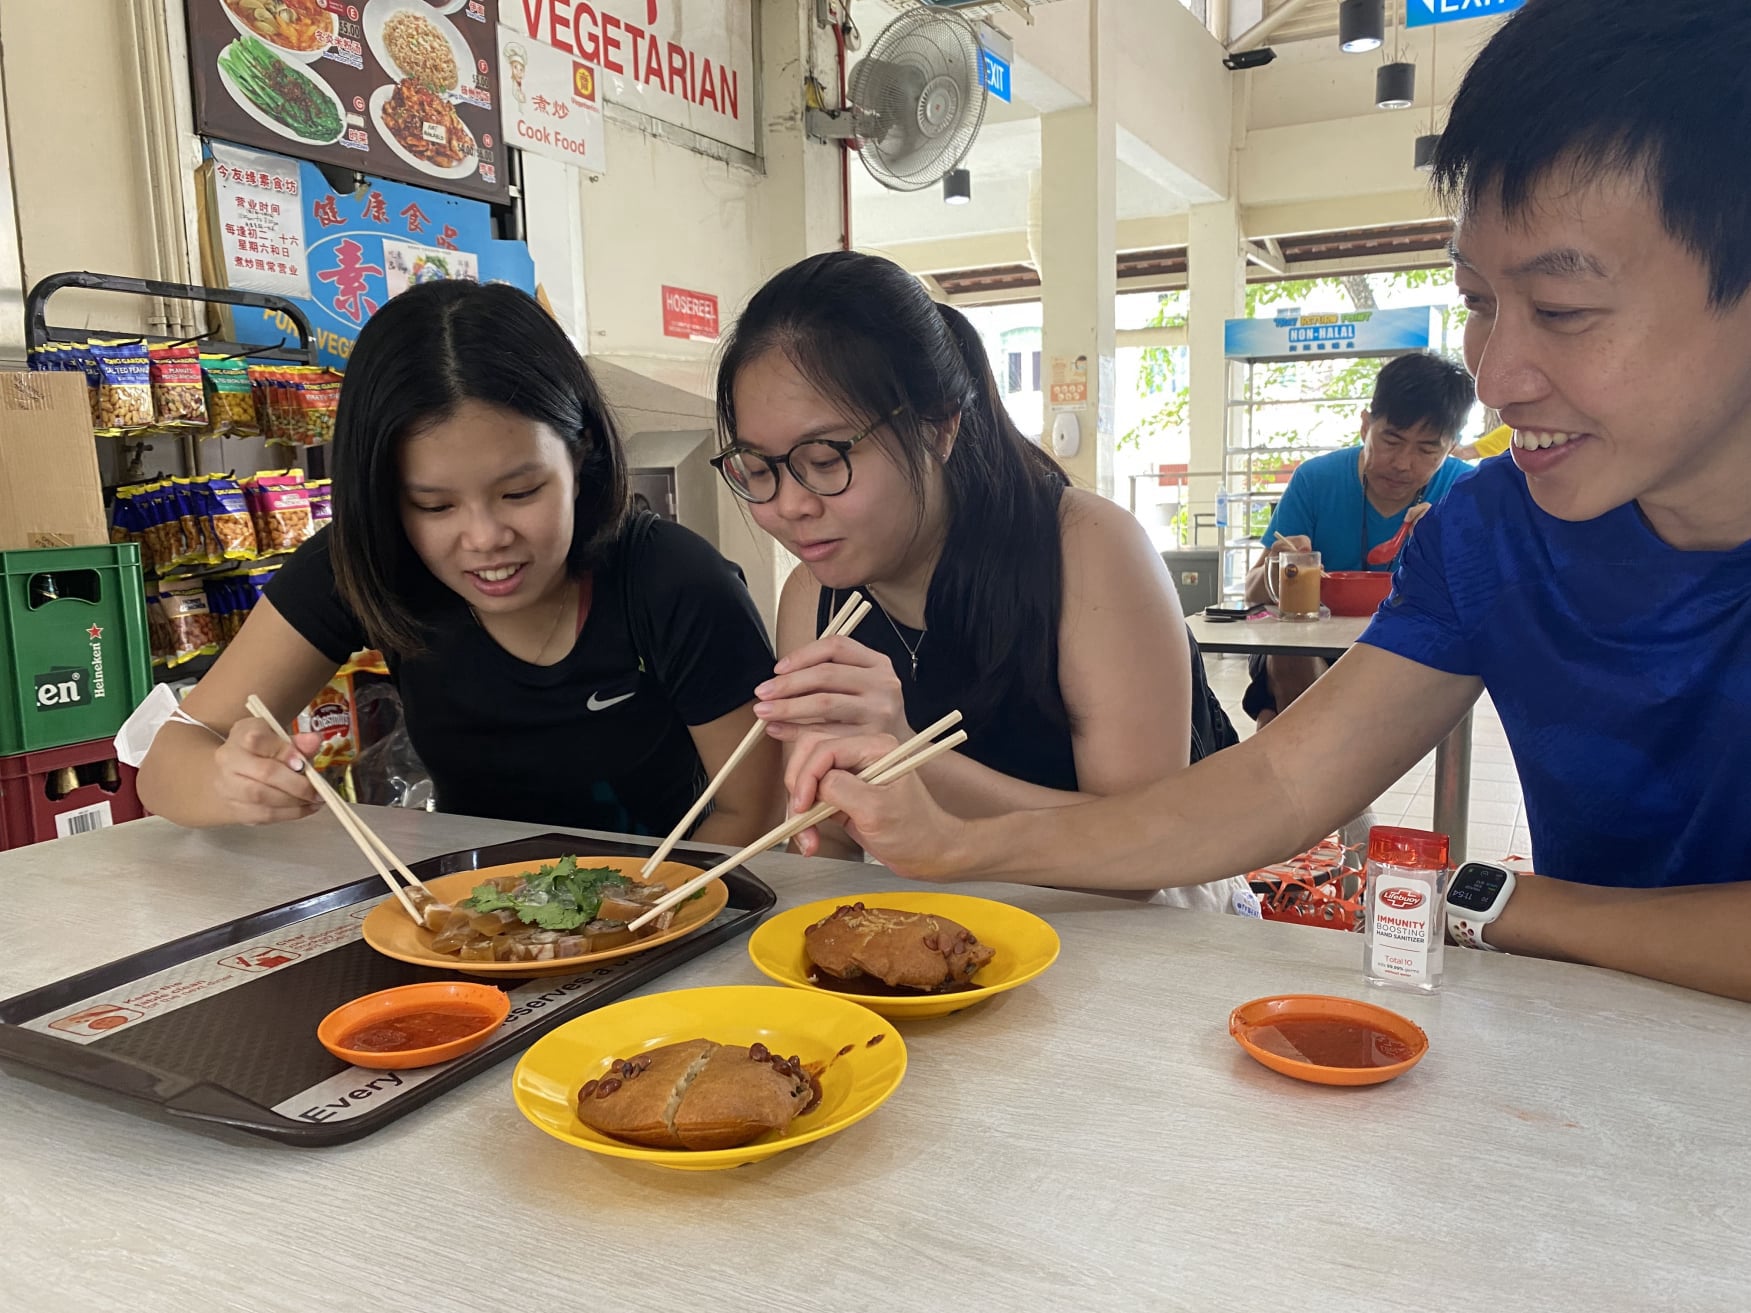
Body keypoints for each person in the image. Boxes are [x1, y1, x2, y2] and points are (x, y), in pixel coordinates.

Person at [779, 0, 1751, 1002]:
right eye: (1475, 302)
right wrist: (952, 843)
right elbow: (1280, 783)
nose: (1496, 373)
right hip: (1620, 1055)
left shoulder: (1080, 540)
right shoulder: (1495, 530)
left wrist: (1507, 905)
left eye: (1560, 310)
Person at [137, 281, 782, 844]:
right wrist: (230, 781)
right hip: (475, 919)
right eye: (434, 505)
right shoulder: (369, 564)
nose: (484, 539)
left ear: (580, 454)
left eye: (521, 492)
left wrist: (630, 921)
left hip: (670, 910)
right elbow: (167, 761)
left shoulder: (673, 582)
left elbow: (751, 811)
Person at [711, 250, 1242, 909]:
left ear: (939, 427)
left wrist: (905, 752)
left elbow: (1143, 860)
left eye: (824, 458)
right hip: (942, 918)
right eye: (756, 470)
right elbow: (834, 845)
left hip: (1130, 925)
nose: (789, 504)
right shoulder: (811, 598)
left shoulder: (1088, 551)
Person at [1242, 351, 1476, 725]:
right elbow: (1252, 592)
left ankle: (1301, 760)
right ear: (1365, 426)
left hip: (1403, 649)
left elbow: (1484, 602)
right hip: (1307, 649)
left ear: (1451, 447)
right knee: (1290, 652)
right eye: (1391, 440)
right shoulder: (1316, 480)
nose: (1402, 463)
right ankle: (1317, 760)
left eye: (1427, 449)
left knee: (1277, 718)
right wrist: (1280, 565)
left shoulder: (1463, 490)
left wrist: (1446, 545)